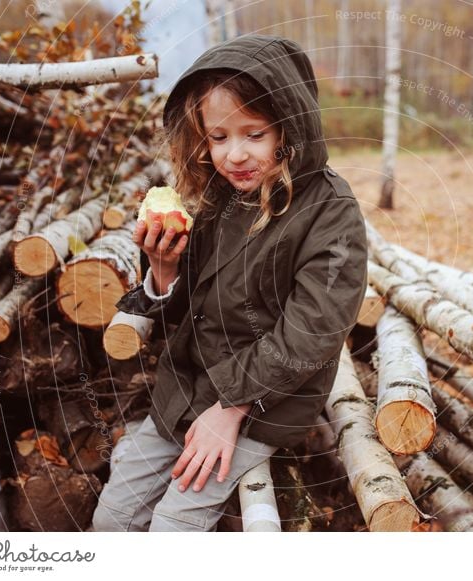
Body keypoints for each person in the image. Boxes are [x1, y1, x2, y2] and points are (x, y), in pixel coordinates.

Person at [91, 34, 368, 532]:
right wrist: (163, 271)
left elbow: (312, 334)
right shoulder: (220, 198)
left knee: (173, 527)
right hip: (186, 387)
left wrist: (232, 407)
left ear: (288, 127)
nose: (234, 155)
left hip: (265, 401)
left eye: (253, 134)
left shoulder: (330, 212)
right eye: (218, 138)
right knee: (112, 517)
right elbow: (190, 308)